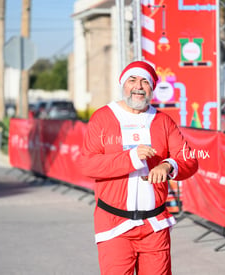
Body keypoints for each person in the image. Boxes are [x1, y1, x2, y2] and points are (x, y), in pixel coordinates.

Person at [78, 61, 199, 275]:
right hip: (115, 225)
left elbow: (189, 159)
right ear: (123, 84)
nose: (138, 86)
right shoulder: (103, 118)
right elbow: (87, 163)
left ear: (152, 88)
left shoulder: (162, 121)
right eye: (132, 80)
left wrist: (168, 165)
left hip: (155, 225)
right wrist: (131, 157)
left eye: (145, 81)